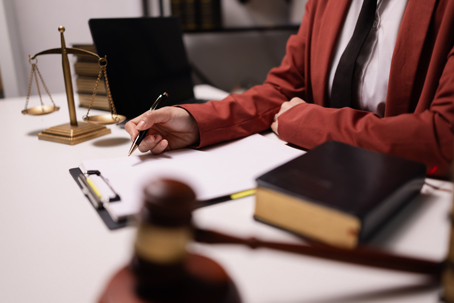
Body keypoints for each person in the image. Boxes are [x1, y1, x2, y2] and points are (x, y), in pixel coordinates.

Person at [126, 0, 454, 178]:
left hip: (414, 197)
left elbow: (444, 133)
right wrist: (194, 121)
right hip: (319, 177)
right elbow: (283, 89)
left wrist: (309, 124)